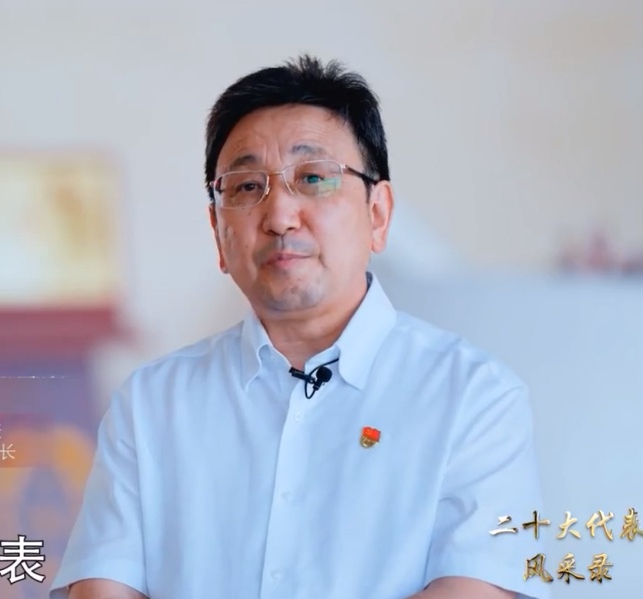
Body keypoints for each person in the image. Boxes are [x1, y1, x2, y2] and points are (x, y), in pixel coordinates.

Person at [50, 55, 549, 599]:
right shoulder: (152, 403)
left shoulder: (474, 396)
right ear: (218, 232)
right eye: (246, 187)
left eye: (313, 178)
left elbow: (475, 590)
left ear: (378, 214)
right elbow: (102, 589)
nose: (280, 216)